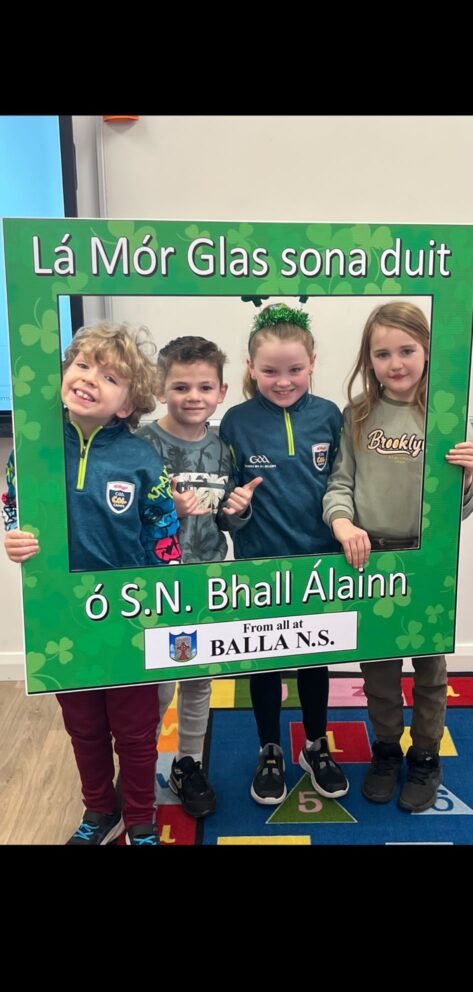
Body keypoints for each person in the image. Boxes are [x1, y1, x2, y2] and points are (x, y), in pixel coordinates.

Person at [2, 322, 181, 845]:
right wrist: (14, 535)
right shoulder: (32, 448)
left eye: (109, 377)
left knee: (136, 730)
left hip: (128, 618)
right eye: (82, 365)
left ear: (127, 405)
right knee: (83, 726)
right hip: (61, 617)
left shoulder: (141, 458)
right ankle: (99, 810)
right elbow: (14, 505)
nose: (88, 379)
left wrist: (160, 605)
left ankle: (141, 817)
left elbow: (163, 533)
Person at [322, 300, 473, 812]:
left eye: (407, 350)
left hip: (426, 559)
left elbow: (457, 509)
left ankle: (426, 755)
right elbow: (340, 484)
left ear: (428, 349)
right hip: (372, 560)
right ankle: (386, 749)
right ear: (369, 358)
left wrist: (468, 478)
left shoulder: (445, 415)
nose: (396, 363)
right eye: (382, 354)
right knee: (379, 671)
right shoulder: (358, 414)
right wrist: (343, 523)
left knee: (430, 669)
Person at [219, 303, 349, 805]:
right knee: (265, 664)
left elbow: (345, 485)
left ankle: (315, 745)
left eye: (295, 369)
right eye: (270, 371)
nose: (283, 381)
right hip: (260, 565)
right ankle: (269, 748)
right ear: (251, 368)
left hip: (321, 565)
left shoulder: (330, 416)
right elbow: (224, 505)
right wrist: (235, 510)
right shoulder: (235, 422)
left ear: (312, 362)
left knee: (316, 661)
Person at [138, 335, 259, 817]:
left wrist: (238, 509)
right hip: (155, 584)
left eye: (205, 387)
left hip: (207, 578)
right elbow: (123, 516)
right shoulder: (142, 445)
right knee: (157, 685)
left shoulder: (223, 448)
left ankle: (188, 764)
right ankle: (139, 767)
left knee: (198, 678)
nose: (193, 396)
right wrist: (166, 508)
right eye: (181, 386)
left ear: (222, 391)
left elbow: (227, 522)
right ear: (160, 388)